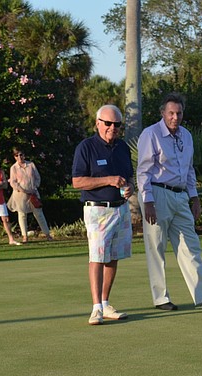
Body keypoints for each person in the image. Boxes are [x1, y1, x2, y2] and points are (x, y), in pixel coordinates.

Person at [136, 92, 202, 311]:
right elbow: (143, 171)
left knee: (191, 246)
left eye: (179, 113)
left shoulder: (186, 135)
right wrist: (148, 201)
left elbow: (189, 170)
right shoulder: (150, 134)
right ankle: (161, 298)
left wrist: (194, 197)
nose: (175, 117)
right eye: (171, 113)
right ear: (163, 113)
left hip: (181, 196)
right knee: (157, 247)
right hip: (157, 193)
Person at [71, 105, 133, 325]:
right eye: (108, 123)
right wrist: (108, 180)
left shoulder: (123, 148)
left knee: (113, 256)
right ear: (98, 123)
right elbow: (77, 181)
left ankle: (106, 303)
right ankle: (96, 307)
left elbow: (129, 178)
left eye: (117, 125)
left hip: (120, 208)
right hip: (97, 209)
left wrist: (130, 188)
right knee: (97, 257)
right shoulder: (86, 147)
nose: (112, 128)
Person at [8, 148, 53, 242]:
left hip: (33, 193)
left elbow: (37, 178)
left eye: (21, 155)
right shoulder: (14, 168)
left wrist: (35, 187)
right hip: (20, 194)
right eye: (17, 155)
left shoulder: (31, 165)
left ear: (24, 155)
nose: (19, 157)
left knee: (39, 213)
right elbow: (13, 182)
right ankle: (25, 236)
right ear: (14, 157)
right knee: (22, 215)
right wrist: (23, 190)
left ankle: (47, 234)